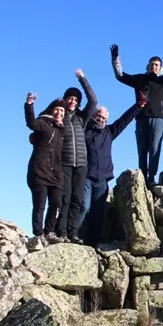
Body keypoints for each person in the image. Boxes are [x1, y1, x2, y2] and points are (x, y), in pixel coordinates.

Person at [110, 43, 163, 186]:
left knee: (155, 148)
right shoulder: (139, 79)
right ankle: (143, 177)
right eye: (151, 64)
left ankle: (151, 177)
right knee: (142, 149)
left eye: (156, 65)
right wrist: (115, 59)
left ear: (160, 67)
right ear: (148, 65)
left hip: (158, 119)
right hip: (141, 119)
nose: (153, 67)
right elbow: (120, 76)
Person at [77, 98, 145, 246]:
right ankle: (72, 235)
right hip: (86, 178)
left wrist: (138, 106)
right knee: (83, 206)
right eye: (99, 116)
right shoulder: (84, 131)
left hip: (102, 181)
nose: (101, 120)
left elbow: (124, 120)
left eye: (104, 118)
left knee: (97, 214)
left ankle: (91, 244)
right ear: (94, 116)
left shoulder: (109, 132)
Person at [57, 69, 98, 243]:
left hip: (81, 163)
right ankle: (62, 232)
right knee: (65, 199)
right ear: (65, 100)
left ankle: (73, 232)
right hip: (65, 163)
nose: (73, 101)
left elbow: (93, 100)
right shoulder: (59, 116)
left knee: (77, 200)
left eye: (75, 99)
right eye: (70, 99)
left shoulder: (82, 118)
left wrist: (82, 78)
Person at [24, 93, 65, 242]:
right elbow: (31, 123)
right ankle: (38, 234)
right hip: (39, 171)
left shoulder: (62, 131)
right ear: (51, 110)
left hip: (55, 174)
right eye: (57, 109)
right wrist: (29, 105)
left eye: (62, 111)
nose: (59, 113)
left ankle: (50, 231)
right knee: (40, 204)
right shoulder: (43, 123)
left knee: (56, 203)